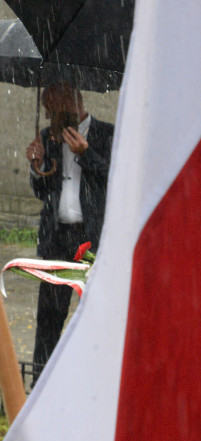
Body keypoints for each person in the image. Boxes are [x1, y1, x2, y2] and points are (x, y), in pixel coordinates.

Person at [25, 81, 114, 380]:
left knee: (96, 318)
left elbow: (115, 182)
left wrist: (86, 154)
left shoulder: (107, 134)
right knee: (48, 319)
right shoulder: (48, 137)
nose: (50, 117)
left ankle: (95, 383)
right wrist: (36, 166)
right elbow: (42, 190)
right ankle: (39, 386)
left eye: (54, 111)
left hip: (92, 242)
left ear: (74, 104)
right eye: (47, 112)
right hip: (56, 240)